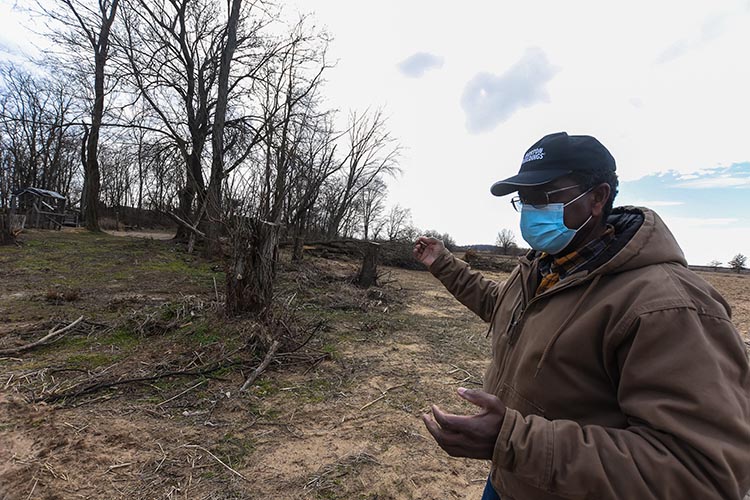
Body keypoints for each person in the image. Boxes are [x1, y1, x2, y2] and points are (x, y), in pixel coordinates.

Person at [413, 132, 750, 500]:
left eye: (543, 196)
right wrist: (443, 264)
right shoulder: (543, 267)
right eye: (523, 199)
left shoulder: (666, 304)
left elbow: (701, 472)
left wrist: (513, 440)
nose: (529, 209)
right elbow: (503, 306)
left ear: (597, 198)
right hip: (510, 480)